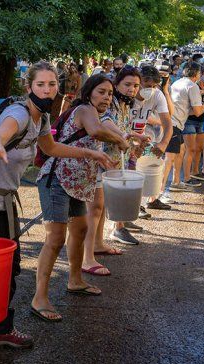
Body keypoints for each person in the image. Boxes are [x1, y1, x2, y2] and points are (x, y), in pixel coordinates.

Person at [0, 62, 112, 364]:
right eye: (41, 85)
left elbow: (50, 148)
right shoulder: (20, 114)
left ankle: (0, 330)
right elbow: (4, 130)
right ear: (29, 87)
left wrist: (91, 155)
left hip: (5, 199)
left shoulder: (42, 118)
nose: (47, 90)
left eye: (52, 84)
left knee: (10, 268)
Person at [33, 74, 129, 321]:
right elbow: (96, 132)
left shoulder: (94, 112)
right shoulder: (85, 109)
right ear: (89, 93)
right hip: (57, 178)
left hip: (77, 182)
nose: (106, 97)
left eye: (109, 93)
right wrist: (119, 140)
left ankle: (75, 280)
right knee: (55, 238)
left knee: (81, 229)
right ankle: (39, 298)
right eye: (101, 92)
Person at [84, 66, 148, 265]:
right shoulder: (109, 103)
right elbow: (106, 122)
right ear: (117, 83)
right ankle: (87, 256)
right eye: (127, 84)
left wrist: (134, 137)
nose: (132, 89)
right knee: (94, 208)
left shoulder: (126, 104)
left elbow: (123, 128)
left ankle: (98, 244)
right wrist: (122, 136)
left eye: (136, 85)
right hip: (100, 159)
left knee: (101, 208)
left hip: (112, 162)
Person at [134, 64, 174, 207]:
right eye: (146, 84)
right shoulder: (127, 93)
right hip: (123, 137)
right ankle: (125, 217)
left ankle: (137, 207)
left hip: (140, 137)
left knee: (139, 173)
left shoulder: (157, 94)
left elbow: (168, 123)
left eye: (153, 86)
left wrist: (163, 144)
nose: (149, 89)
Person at [169, 61, 204, 190]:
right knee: (172, 156)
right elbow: (198, 112)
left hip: (174, 121)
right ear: (198, 74)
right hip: (176, 123)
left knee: (180, 152)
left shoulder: (177, 82)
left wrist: (203, 94)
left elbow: (189, 109)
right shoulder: (192, 86)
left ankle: (176, 181)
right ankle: (175, 183)